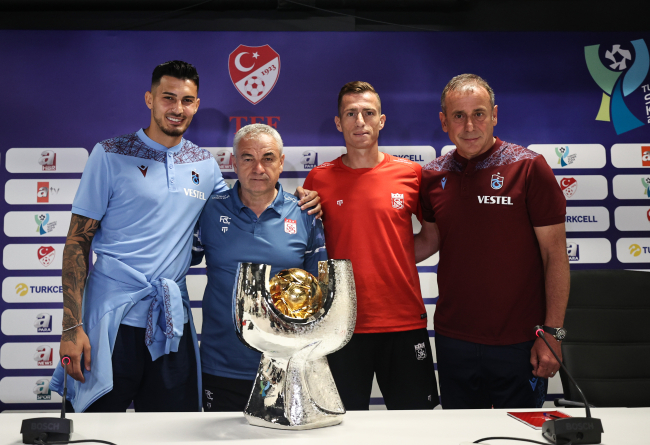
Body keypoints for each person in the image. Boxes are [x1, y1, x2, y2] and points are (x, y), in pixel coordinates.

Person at [50, 61, 320, 413]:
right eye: (168, 97)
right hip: (111, 318)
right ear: (149, 99)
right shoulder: (109, 153)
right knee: (93, 425)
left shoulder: (204, 164)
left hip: (171, 321)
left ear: (196, 105)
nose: (177, 108)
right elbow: (76, 242)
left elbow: (245, 200)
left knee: (171, 430)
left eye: (187, 100)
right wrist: (71, 326)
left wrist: (299, 200)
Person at [417, 73, 569, 409]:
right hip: (453, 338)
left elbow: (555, 255)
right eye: (459, 115)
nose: (470, 125)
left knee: (520, 431)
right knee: (461, 432)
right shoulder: (432, 175)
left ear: (495, 115)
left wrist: (553, 333)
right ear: (444, 121)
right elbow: (428, 241)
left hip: (520, 340)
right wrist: (364, 249)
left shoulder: (529, 167)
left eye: (479, 114)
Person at [303, 81, 438, 410]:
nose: (360, 121)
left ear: (381, 120)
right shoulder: (318, 179)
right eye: (351, 114)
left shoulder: (412, 174)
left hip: (403, 322)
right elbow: (308, 248)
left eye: (368, 113)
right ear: (339, 123)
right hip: (341, 326)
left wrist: (394, 259)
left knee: (416, 424)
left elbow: (433, 237)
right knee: (341, 426)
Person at [192, 124, 327, 412]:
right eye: (247, 158)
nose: (258, 168)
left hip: (286, 366)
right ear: (233, 163)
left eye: (268, 158)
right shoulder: (208, 210)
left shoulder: (305, 213)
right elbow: (175, 261)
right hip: (221, 364)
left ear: (281, 162)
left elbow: (319, 295)